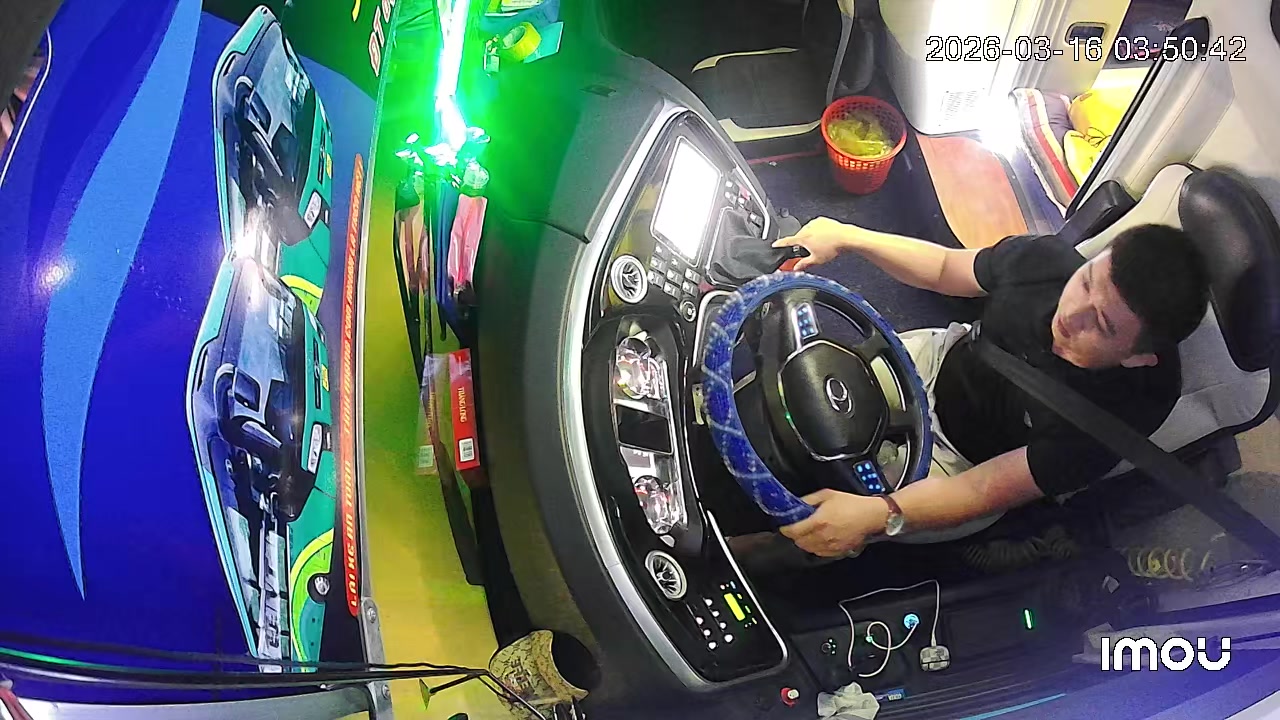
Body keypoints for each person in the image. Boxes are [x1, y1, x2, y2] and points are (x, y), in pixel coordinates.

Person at [771, 218, 1211, 558]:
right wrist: (849, 235)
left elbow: (980, 489)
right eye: (1086, 283)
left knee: (823, 526)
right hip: (939, 359)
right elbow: (945, 267)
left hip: (961, 465)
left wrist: (878, 513)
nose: (1071, 313)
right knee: (802, 386)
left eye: (1100, 324)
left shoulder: (1110, 423)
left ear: (1137, 357)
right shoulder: (1047, 262)